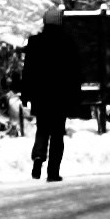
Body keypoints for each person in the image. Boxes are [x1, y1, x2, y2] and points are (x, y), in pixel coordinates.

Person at [20, 15, 79, 181]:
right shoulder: (67, 43)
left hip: (41, 96)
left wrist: (26, 94)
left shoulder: (35, 42)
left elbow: (28, 70)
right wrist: (75, 97)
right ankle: (53, 172)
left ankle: (38, 158)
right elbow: (74, 73)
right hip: (60, 97)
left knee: (42, 129)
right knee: (57, 134)